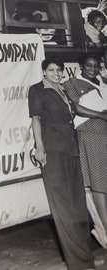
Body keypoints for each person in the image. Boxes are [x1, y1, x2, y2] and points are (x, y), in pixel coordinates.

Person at [28, 56, 107, 270]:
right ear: (44, 72)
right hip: (53, 151)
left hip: (72, 149)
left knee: (79, 207)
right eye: (51, 70)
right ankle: (78, 264)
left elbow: (76, 112)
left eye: (59, 70)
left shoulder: (63, 90)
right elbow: (36, 119)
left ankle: (86, 258)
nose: (56, 73)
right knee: (64, 209)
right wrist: (40, 147)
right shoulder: (37, 90)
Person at [63, 54, 107, 249]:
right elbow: (75, 108)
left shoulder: (102, 83)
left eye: (96, 66)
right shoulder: (72, 83)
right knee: (98, 182)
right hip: (90, 133)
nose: (92, 69)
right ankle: (105, 229)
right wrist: (101, 115)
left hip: (104, 132)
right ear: (81, 66)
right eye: (89, 65)